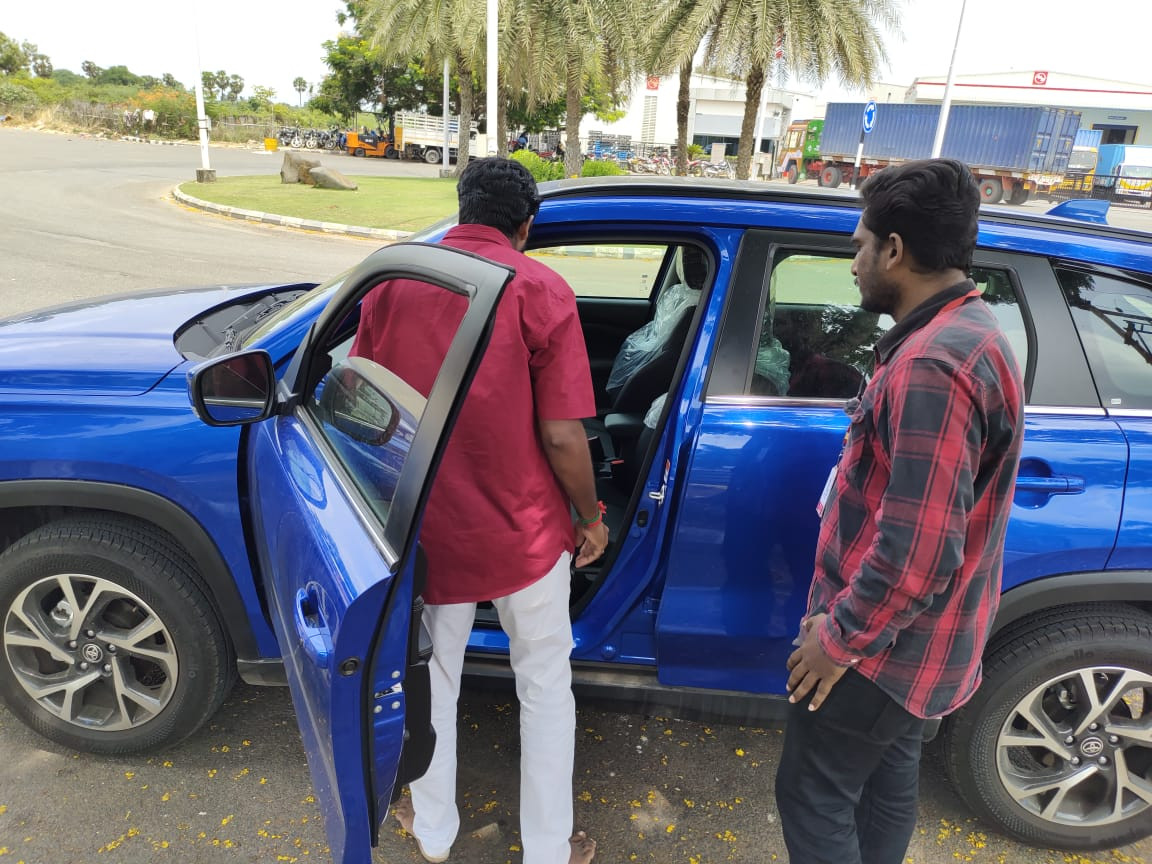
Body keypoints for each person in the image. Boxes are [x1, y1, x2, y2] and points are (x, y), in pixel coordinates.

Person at [350, 157, 604, 864]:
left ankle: (433, 832)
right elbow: (562, 436)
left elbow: (362, 398)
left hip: (424, 531)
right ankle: (549, 849)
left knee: (433, 681)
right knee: (546, 684)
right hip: (525, 533)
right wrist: (590, 517)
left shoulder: (394, 282)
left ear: (461, 209)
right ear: (527, 226)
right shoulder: (542, 289)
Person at [774, 159, 1025, 864]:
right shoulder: (974, 330)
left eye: (859, 245)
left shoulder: (929, 366)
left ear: (894, 250)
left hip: (882, 650)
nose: (853, 262)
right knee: (885, 783)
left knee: (812, 795)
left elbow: (917, 554)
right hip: (923, 646)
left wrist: (838, 640)